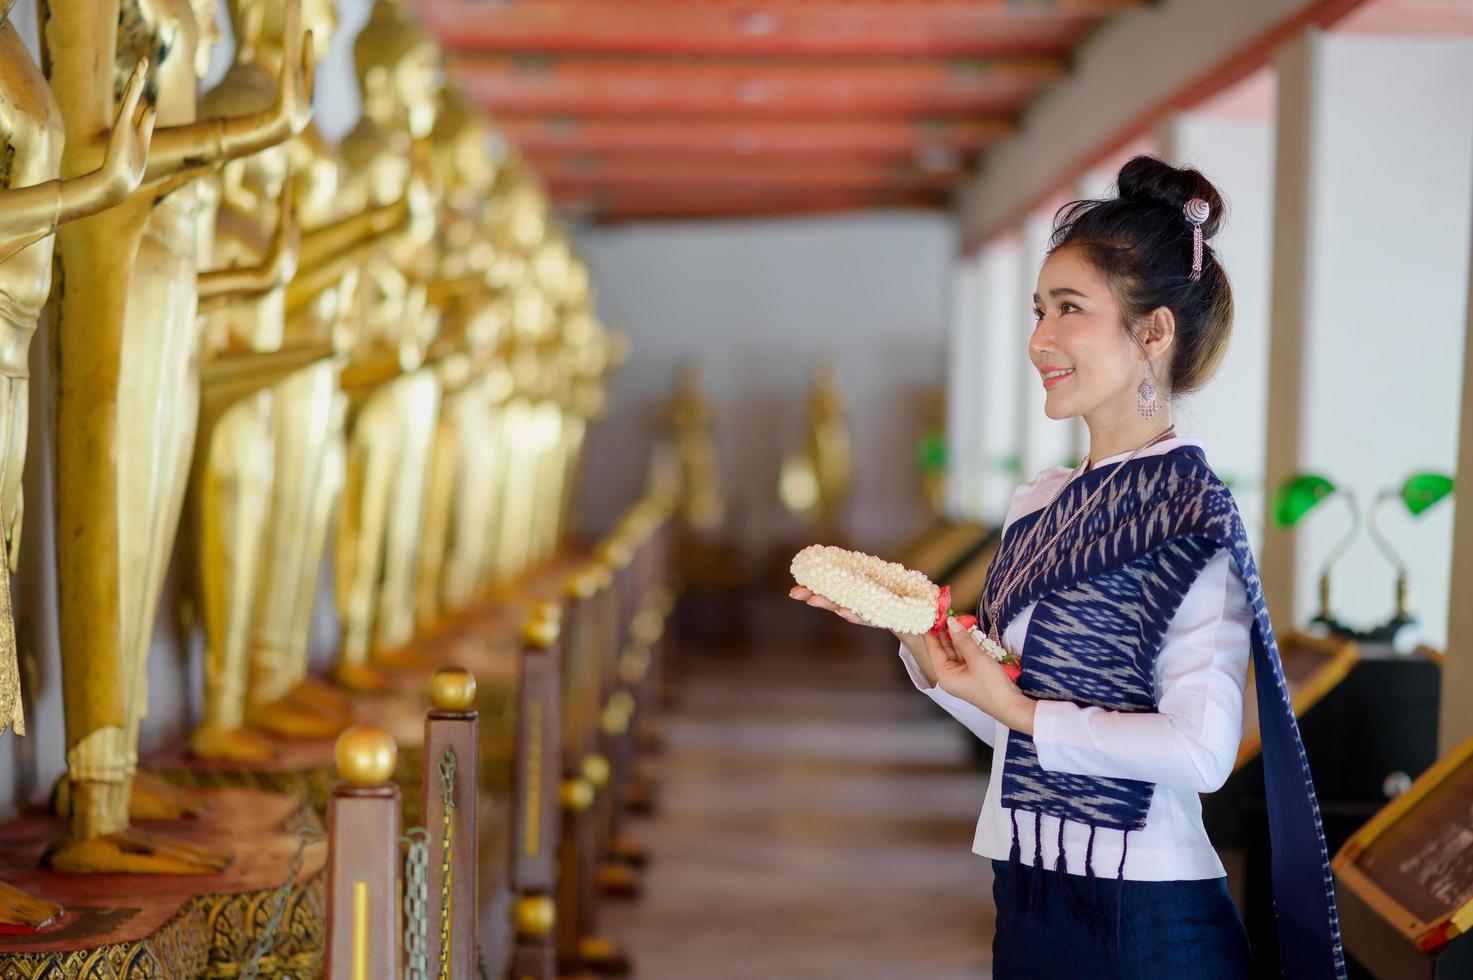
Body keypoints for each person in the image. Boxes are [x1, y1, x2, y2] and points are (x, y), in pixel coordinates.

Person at [791, 156, 1344, 979]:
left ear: (1153, 333)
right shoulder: (1039, 503)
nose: (1038, 339)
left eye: (1068, 310)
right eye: (1039, 310)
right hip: (1025, 891)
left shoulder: (1189, 514)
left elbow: (1198, 752)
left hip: (1147, 917)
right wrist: (921, 647)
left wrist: (1014, 711)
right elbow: (1020, 726)